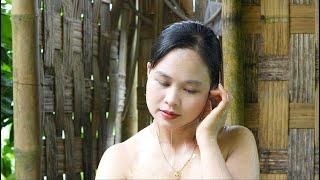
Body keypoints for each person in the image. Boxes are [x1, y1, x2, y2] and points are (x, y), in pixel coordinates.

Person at [95, 21, 259, 179]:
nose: (171, 100)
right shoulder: (119, 159)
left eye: (190, 90)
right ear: (148, 71)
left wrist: (207, 139)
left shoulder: (236, 141)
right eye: (163, 83)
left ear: (213, 91)